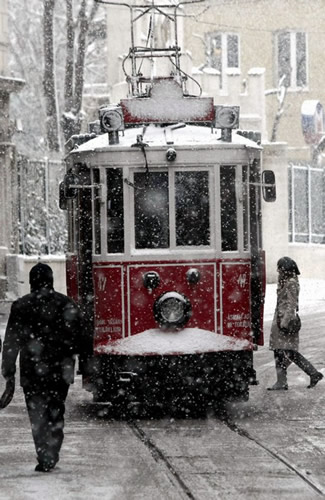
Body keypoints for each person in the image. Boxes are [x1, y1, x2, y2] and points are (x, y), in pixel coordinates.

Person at [1, 263, 91, 472]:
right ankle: (52, 451)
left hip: (32, 370)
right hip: (61, 369)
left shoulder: (21, 306)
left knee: (37, 415)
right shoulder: (66, 304)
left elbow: (11, 342)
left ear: (31, 282)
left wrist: (9, 373)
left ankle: (44, 453)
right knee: (56, 410)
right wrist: (82, 362)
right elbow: (82, 338)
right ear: (51, 280)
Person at [268, 256, 323, 391]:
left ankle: (310, 374)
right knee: (282, 351)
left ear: (285, 268)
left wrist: (285, 323)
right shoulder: (285, 281)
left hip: (285, 321)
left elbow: (292, 305)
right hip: (281, 320)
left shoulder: (291, 283)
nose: (278, 270)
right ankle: (285, 380)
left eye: (280, 268)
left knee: (286, 351)